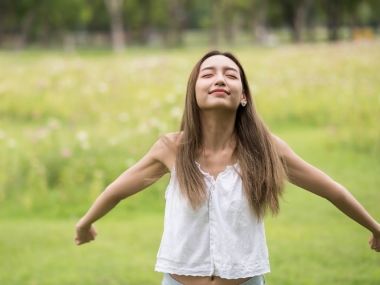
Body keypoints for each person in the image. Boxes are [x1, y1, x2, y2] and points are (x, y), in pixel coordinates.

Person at [74, 50, 380, 285]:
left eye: (231, 75)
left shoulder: (266, 148)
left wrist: (375, 228)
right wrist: (85, 223)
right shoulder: (171, 148)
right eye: (208, 74)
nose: (220, 79)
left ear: (243, 96)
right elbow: (117, 191)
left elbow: (332, 191)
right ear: (193, 92)